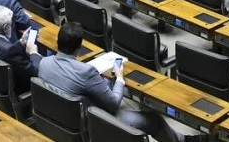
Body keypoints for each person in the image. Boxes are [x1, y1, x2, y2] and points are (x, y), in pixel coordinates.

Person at [39, 22, 194, 142]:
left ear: (58, 42)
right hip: (96, 121)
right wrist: (119, 78)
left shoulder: (44, 63)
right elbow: (113, 104)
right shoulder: (86, 72)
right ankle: (181, 140)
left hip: (63, 120)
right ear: (78, 48)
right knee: (154, 120)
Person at [0, 5, 42, 92]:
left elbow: (2, 49)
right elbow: (35, 73)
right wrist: (33, 53)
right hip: (19, 90)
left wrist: (20, 43)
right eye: (11, 24)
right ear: (5, 28)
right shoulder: (10, 51)